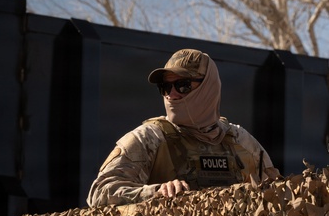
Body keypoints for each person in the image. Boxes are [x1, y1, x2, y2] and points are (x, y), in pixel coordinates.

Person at [87, 48, 274, 207]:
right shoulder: (150, 138)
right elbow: (99, 193)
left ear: (208, 87)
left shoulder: (241, 141)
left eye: (182, 85)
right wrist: (156, 192)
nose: (172, 95)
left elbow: (276, 197)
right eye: (165, 87)